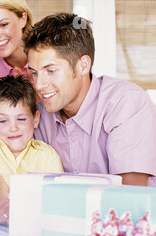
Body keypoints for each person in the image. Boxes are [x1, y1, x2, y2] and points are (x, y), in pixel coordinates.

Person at [23, 13, 156, 186]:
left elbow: (129, 199)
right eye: (34, 72)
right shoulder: (40, 116)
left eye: (51, 71)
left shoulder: (126, 103)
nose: (39, 85)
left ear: (83, 66)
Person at [0, 76, 63, 225]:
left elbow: (54, 206)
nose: (13, 128)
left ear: (35, 119)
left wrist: (8, 199)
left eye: (21, 119)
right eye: (3, 121)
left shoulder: (48, 156)